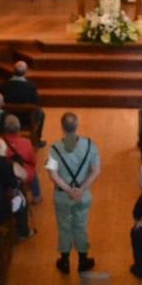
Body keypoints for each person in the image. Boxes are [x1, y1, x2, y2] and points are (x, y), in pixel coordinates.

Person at [48, 112, 102, 275]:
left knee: (64, 227)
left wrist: (68, 189)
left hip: (62, 196)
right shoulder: (90, 146)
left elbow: (53, 174)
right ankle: (83, 259)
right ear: (77, 126)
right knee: (81, 225)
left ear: (62, 127)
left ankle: (64, 261)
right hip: (82, 196)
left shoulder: (54, 149)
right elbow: (96, 170)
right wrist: (81, 189)